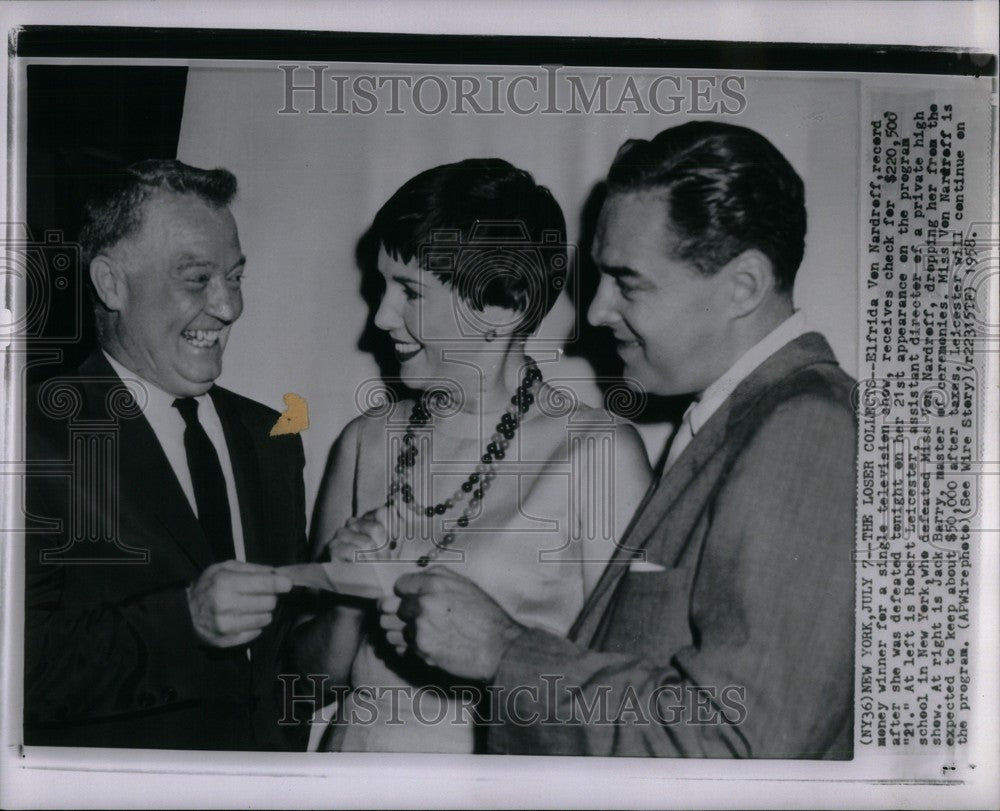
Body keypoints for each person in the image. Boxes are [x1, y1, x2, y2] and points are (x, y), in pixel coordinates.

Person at [381, 122, 858, 758]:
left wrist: (505, 651)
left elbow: (739, 743)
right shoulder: (742, 419)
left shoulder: (806, 429)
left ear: (742, 287)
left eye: (627, 282)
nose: (597, 312)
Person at [291, 158, 651, 753]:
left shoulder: (598, 453)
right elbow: (301, 683)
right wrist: (349, 602)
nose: (381, 318)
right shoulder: (363, 441)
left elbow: (627, 700)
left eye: (409, 291)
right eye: (384, 287)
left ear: (502, 307)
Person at [24, 160, 307, 750]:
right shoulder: (28, 438)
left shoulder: (272, 436)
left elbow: (282, 663)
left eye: (235, 277)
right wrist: (186, 623)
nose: (230, 308)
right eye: (198, 279)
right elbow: (16, 671)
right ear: (110, 284)